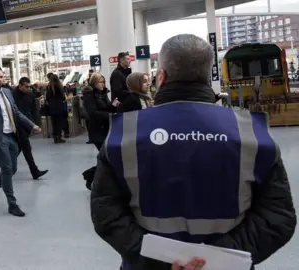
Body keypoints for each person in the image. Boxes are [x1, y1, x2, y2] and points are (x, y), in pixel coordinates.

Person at [90, 34, 296, 270]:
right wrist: (212, 261)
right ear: (208, 75)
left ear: (161, 76)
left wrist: (163, 260)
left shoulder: (124, 134)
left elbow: (106, 212)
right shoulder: (252, 134)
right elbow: (277, 217)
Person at [0, 66, 41, 217]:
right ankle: (12, 204)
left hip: (11, 136)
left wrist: (32, 125)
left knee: (12, 169)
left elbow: (16, 113)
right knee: (7, 169)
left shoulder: (7, 92)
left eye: (1, 77)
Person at [81, 72, 119, 190]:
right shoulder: (89, 95)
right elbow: (93, 113)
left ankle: (91, 176)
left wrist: (113, 106)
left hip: (106, 129)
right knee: (106, 157)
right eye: (100, 82)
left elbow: (105, 108)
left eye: (103, 82)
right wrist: (110, 114)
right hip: (97, 130)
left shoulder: (102, 94)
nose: (102, 84)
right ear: (94, 83)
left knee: (107, 157)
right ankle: (90, 176)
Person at [46, 74, 67, 144]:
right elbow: (63, 97)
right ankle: (59, 137)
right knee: (59, 123)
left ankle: (55, 138)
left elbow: (47, 98)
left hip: (52, 107)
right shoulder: (60, 86)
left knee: (54, 123)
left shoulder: (48, 87)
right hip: (59, 107)